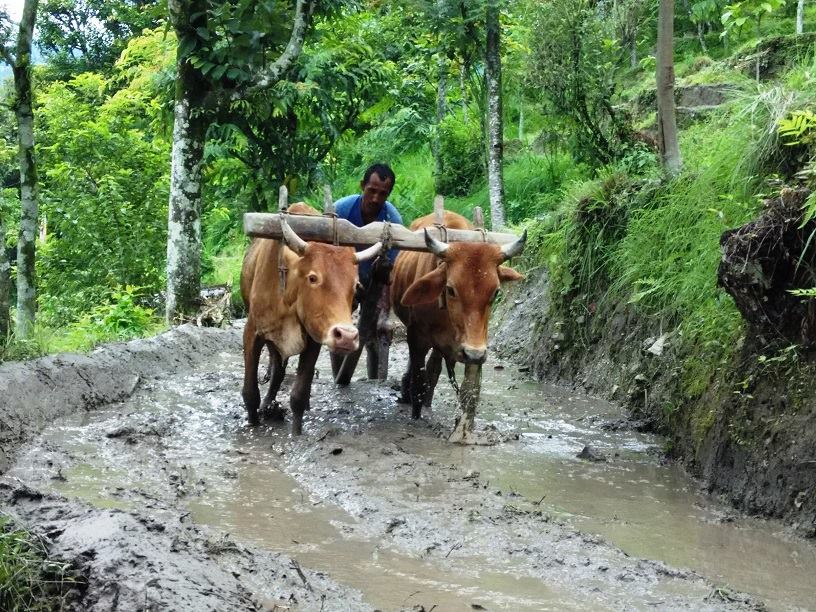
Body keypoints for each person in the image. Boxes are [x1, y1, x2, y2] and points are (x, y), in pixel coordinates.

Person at [334, 163, 403, 288]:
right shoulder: (340, 210)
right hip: (338, 279)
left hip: (373, 284)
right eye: (372, 191)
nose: (375, 199)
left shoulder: (394, 221)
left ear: (388, 194)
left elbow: (393, 267)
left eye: (382, 194)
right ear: (362, 185)